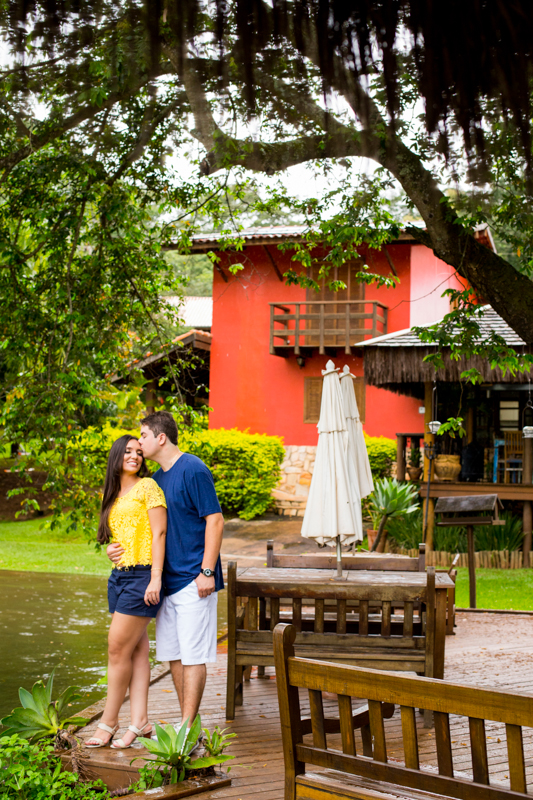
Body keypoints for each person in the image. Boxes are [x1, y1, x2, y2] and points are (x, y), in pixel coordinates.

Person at [107, 411, 224, 745]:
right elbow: (146, 529)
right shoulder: (156, 480)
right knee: (173, 654)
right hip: (164, 583)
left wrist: (207, 571)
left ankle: (185, 732)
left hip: (194, 579)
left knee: (193, 656)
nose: (139, 443)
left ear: (160, 438)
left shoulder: (193, 468)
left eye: (143, 435)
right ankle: (189, 728)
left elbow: (215, 520)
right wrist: (114, 550)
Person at [85, 435, 167, 749]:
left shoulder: (148, 487)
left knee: (116, 649)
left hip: (143, 576)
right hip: (119, 577)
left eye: (138, 452)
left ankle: (108, 722)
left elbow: (159, 533)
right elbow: (122, 536)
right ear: (117, 455)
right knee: (136, 651)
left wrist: (155, 579)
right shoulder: (113, 494)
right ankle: (140, 721)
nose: (134, 456)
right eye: (128, 451)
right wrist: (110, 550)